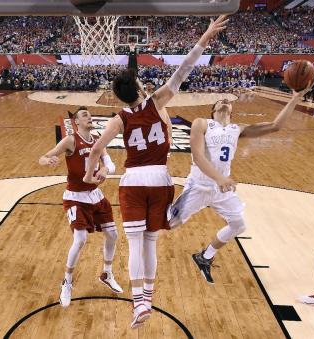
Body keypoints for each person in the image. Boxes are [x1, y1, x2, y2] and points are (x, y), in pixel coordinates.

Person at [83, 15, 229, 329]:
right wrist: (204, 37)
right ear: (138, 87)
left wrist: (88, 175)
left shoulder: (118, 117)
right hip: (160, 179)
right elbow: (184, 68)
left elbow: (96, 151)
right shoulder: (157, 102)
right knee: (151, 241)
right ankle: (149, 295)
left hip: (133, 180)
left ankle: (139, 305)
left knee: (135, 244)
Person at [169, 86, 312, 284]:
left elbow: (275, 125)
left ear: (232, 112)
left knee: (238, 224)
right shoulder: (202, 123)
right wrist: (220, 179)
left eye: (229, 102)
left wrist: (295, 98)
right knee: (168, 224)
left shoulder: (238, 129)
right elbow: (198, 157)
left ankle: (205, 256)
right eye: (221, 101)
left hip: (223, 190)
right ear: (214, 109)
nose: (226, 102)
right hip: (200, 186)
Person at [39, 106, 123, 308]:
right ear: (76, 122)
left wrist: (104, 168)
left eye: (89, 114)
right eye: (84, 115)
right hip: (76, 197)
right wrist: (48, 159)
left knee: (113, 235)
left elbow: (111, 164)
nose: (89, 117)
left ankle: (107, 273)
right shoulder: (70, 140)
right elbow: (42, 157)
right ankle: (67, 281)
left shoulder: (97, 140)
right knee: (80, 239)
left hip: (95, 195)